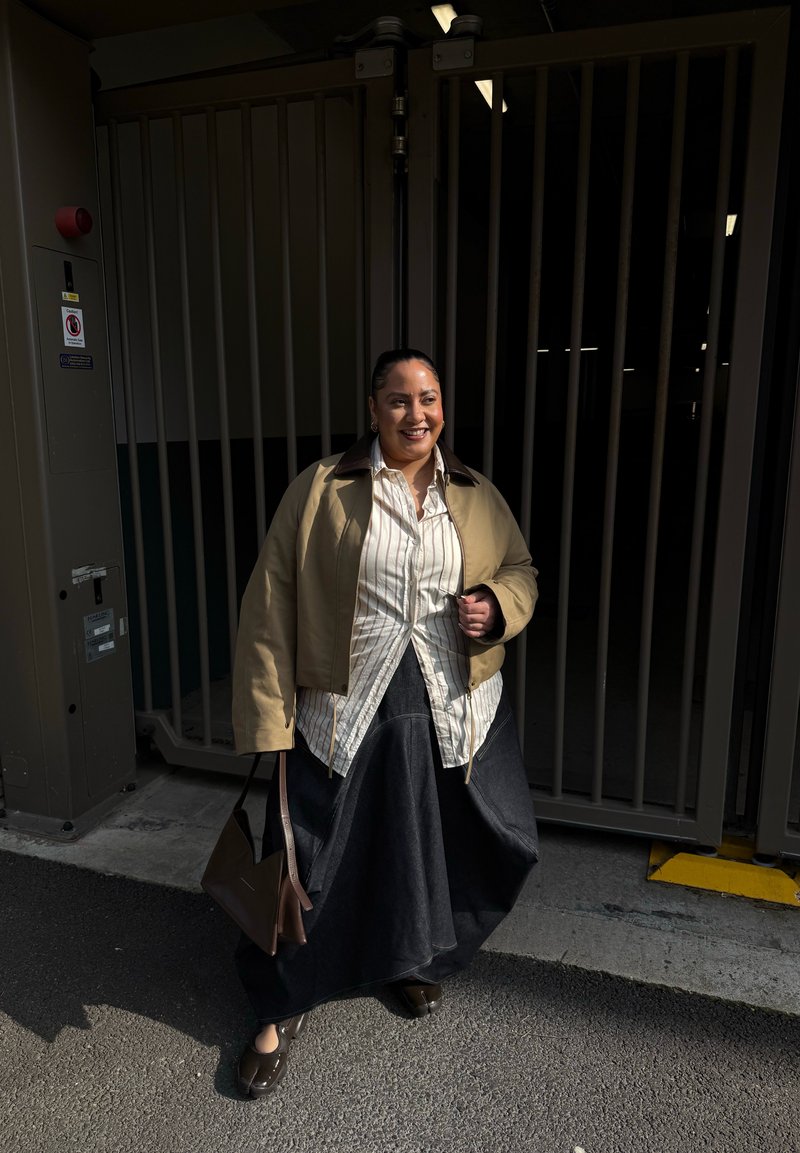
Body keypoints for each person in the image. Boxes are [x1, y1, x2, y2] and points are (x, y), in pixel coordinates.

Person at [231, 349, 539, 1098]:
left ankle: (409, 959)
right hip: (342, 705)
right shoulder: (321, 490)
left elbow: (520, 570)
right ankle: (281, 1005)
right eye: (398, 399)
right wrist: (270, 720)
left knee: (425, 846)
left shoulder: (473, 491)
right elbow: (271, 603)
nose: (416, 413)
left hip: (443, 704)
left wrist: (496, 607)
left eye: (429, 397)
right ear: (373, 408)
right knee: (310, 860)